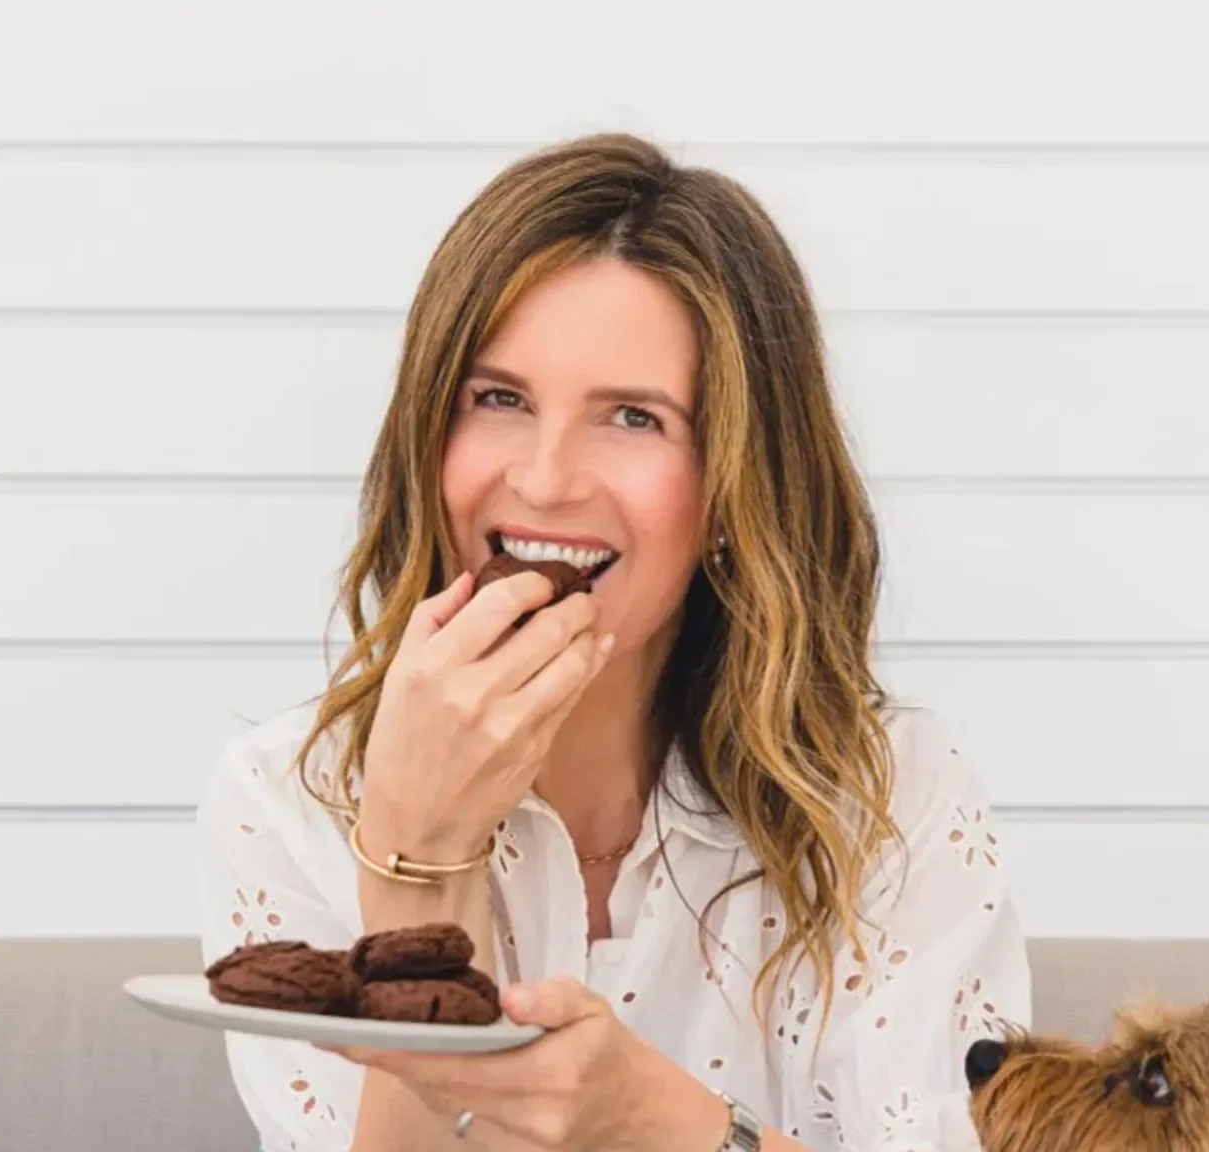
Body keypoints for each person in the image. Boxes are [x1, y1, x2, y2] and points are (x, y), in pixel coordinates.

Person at [195, 132, 1031, 1152]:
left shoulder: (888, 799)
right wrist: (418, 869)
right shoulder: (288, 800)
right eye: (499, 399)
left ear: (732, 490)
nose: (546, 480)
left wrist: (658, 1124)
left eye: (632, 418)